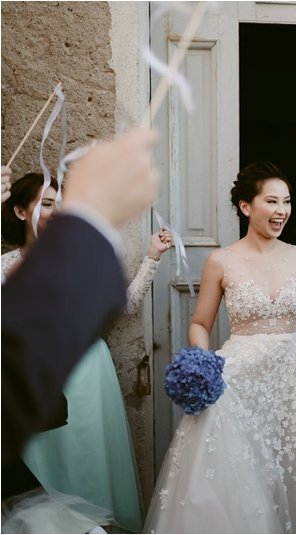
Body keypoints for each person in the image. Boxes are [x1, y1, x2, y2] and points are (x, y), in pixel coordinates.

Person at [144, 161, 296, 533]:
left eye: (287, 202)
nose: (282, 211)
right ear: (246, 207)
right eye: (272, 201)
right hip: (240, 380)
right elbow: (200, 324)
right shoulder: (222, 260)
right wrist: (204, 365)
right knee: (248, 472)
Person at [1, 127, 158, 531]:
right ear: (20, 211)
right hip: (35, 379)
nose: (55, 212)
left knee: (88, 454)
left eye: (61, 204)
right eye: (47, 204)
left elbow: (125, 302)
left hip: (86, 375)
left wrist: (150, 259)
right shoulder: (7, 266)